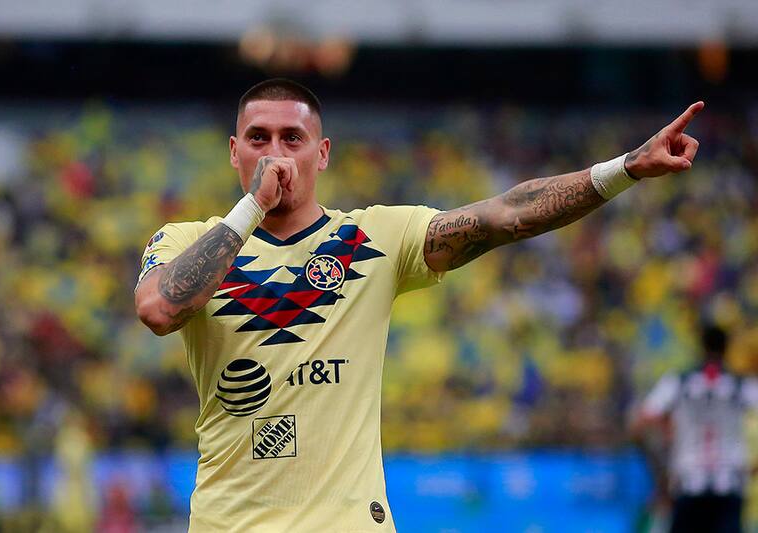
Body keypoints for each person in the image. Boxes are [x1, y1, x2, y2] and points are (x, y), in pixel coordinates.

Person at [134, 78, 703, 532]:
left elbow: (507, 214)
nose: (275, 154)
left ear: (322, 154)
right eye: (258, 138)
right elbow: (159, 310)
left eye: (293, 138)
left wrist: (625, 168)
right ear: (234, 151)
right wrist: (253, 207)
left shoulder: (373, 238)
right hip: (229, 523)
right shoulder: (188, 241)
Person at [633, 325, 758, 533]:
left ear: (701, 347)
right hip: (730, 479)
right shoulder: (740, 384)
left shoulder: (679, 382)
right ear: (726, 348)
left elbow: (642, 421)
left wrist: (666, 432)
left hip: (688, 479)